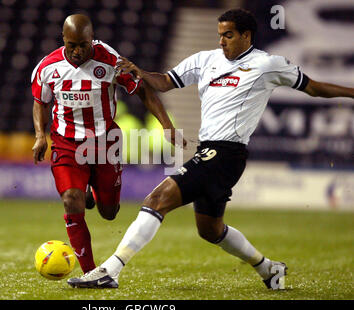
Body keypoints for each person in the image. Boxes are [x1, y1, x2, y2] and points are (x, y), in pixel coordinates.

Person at [67, 8, 354, 289]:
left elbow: (314, 87)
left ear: (246, 35)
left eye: (228, 35)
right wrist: (139, 72)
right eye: (219, 35)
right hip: (209, 151)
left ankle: (111, 270)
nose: (221, 41)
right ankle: (268, 268)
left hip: (228, 153)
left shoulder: (268, 64)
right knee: (210, 230)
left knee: (156, 200)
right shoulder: (205, 60)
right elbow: (165, 82)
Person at [31, 14, 184, 275]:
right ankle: (90, 272)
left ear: (93, 39)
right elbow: (41, 102)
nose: (78, 51)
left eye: (83, 44)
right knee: (71, 199)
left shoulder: (111, 61)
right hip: (66, 143)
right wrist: (40, 135)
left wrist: (167, 125)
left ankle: (91, 191)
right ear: (63, 40)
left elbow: (144, 91)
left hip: (105, 144)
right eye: (72, 45)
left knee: (109, 212)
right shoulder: (48, 67)